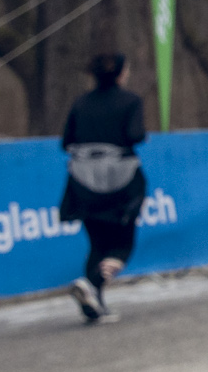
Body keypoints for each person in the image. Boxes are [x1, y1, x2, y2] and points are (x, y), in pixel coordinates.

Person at [60, 52, 147, 325]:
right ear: (121, 73)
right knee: (122, 242)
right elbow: (135, 135)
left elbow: (66, 141)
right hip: (120, 179)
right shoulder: (131, 101)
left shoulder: (81, 103)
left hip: (83, 179)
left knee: (97, 243)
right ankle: (91, 283)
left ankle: (93, 301)